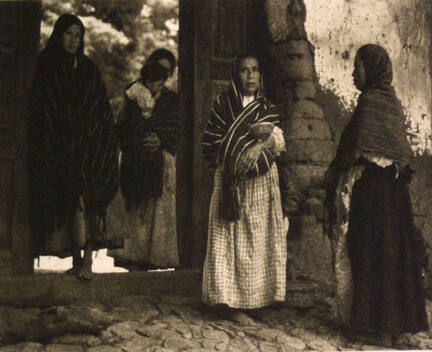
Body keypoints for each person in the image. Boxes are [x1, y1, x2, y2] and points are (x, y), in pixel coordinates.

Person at [325, 44, 429, 346]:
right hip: (396, 195)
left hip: (372, 193)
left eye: (357, 66)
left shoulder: (370, 102)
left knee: (372, 253)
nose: (353, 72)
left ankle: (376, 326)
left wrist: (331, 175)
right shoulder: (392, 103)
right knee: (393, 255)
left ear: (372, 69)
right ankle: (394, 327)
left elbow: (353, 148)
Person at [28, 14, 120, 280]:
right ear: (59, 34)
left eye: (77, 35)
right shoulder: (47, 64)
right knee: (66, 200)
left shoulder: (88, 68)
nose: (72, 40)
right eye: (68, 34)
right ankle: (76, 257)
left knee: (88, 200)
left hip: (88, 145)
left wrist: (95, 136)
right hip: (58, 144)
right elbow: (42, 105)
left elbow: (99, 105)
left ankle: (88, 260)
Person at [201, 53, 288, 323]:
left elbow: (278, 142)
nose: (250, 76)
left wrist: (260, 146)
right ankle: (231, 304)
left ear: (261, 75)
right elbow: (212, 141)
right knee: (231, 237)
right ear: (235, 75)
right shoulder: (223, 104)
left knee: (258, 238)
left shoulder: (268, 108)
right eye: (244, 71)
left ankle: (257, 301)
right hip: (231, 181)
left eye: (255, 70)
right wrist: (239, 154)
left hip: (262, 182)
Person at [108, 49, 181, 270]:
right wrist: (140, 139)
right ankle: (130, 260)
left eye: (167, 71)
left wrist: (160, 139)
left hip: (161, 162)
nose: (163, 75)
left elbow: (176, 128)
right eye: (159, 69)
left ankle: (153, 260)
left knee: (156, 214)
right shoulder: (132, 94)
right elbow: (121, 127)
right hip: (135, 160)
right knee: (135, 209)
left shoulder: (171, 99)